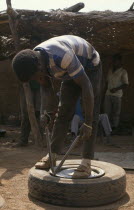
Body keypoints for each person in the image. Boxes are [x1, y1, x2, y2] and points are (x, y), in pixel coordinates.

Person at [12, 35, 102, 178]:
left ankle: (86, 163)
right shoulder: (35, 60)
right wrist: (49, 113)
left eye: (35, 76)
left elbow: (86, 85)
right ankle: (52, 155)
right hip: (70, 71)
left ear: (39, 66)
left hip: (90, 66)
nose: (37, 80)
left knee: (90, 115)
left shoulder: (61, 56)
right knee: (63, 112)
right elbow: (47, 88)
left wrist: (88, 122)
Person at [104, 54, 129, 134]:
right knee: (107, 112)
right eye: (113, 60)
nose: (114, 62)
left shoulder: (123, 71)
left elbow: (126, 84)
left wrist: (116, 89)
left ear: (120, 62)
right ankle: (107, 128)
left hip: (117, 95)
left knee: (115, 113)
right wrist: (104, 92)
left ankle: (114, 128)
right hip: (108, 94)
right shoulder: (110, 70)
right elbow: (107, 82)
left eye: (116, 61)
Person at [13, 80, 41, 147]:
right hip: (26, 85)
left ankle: (40, 139)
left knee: (39, 113)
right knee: (26, 115)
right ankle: (23, 140)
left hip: (40, 86)